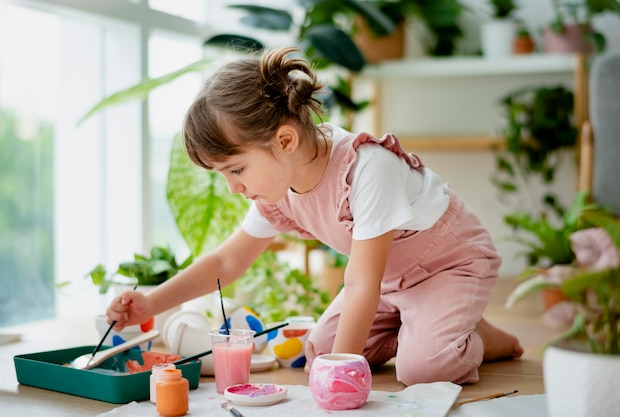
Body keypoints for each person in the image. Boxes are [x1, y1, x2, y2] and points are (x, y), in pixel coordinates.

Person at [106, 46, 523, 386]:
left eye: (235, 169)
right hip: (388, 283)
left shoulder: (367, 167)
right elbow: (226, 261)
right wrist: (150, 303)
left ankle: (475, 336)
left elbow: (361, 283)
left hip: (448, 266)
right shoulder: (277, 187)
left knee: (423, 370)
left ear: (284, 140)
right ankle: (430, 324)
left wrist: (340, 376)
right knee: (320, 352)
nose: (233, 187)